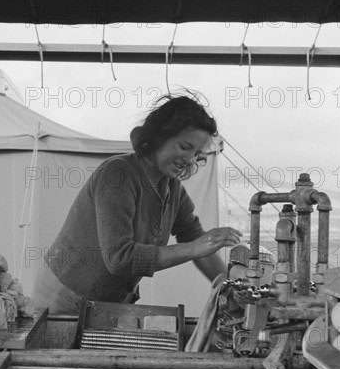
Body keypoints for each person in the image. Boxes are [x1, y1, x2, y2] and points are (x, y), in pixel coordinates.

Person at [32, 93, 242, 315]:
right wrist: (194, 247)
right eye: (185, 146)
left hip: (109, 303)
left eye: (197, 153)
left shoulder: (172, 190)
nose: (190, 159)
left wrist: (232, 288)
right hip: (64, 298)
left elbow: (200, 244)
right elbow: (120, 259)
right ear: (161, 135)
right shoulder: (117, 174)